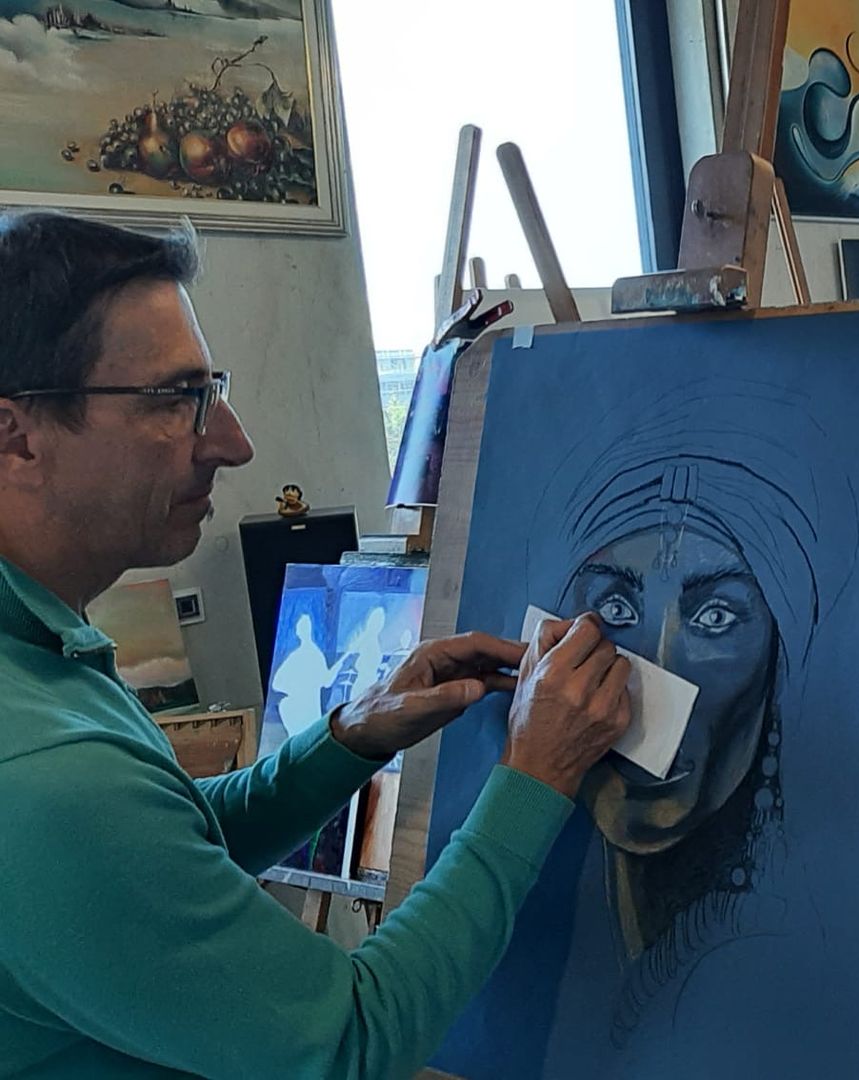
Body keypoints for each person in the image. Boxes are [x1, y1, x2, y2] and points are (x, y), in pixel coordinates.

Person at [0, 209, 634, 1078]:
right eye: (178, 399)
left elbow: (166, 849)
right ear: (16, 433)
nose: (231, 440)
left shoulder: (35, 655)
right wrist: (535, 780)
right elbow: (350, 1045)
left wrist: (349, 739)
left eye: (211, 390)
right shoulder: (42, 777)